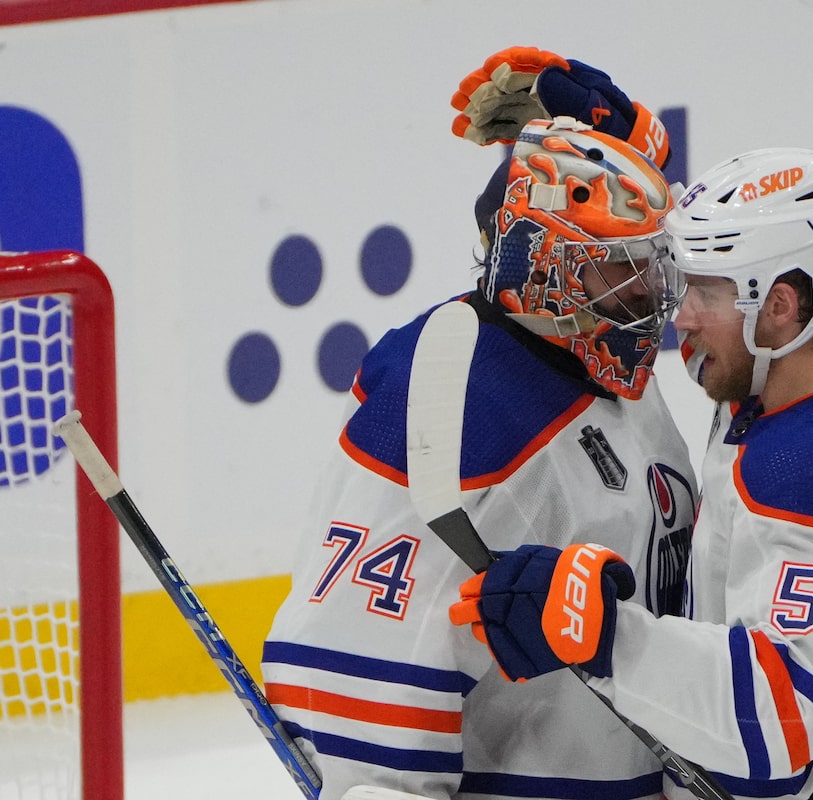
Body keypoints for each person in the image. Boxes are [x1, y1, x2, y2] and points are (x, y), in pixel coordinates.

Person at [451, 147, 813, 800]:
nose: (682, 315)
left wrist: (602, 633)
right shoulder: (812, 355)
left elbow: (780, 728)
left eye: (706, 291)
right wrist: (584, 144)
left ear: (782, 304)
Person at [262, 52, 697, 800]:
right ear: (546, 265)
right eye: (618, 269)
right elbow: (362, 700)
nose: (646, 294)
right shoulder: (453, 398)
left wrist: (620, 138)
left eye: (648, 268)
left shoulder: (592, 353)